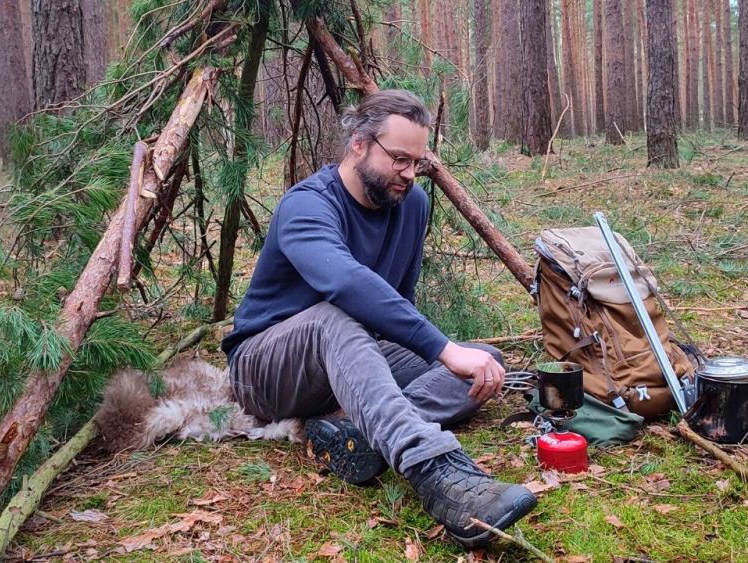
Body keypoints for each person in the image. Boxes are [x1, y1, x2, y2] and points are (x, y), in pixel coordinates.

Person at [220, 90, 536, 549]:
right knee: (337, 317)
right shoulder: (306, 205)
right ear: (359, 144)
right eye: (399, 159)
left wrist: (449, 355)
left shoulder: (411, 207)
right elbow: (346, 284)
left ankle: (358, 432)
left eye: (418, 163)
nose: (409, 174)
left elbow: (395, 304)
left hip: (350, 357)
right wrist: (444, 349)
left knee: (483, 360)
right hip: (266, 369)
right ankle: (439, 475)